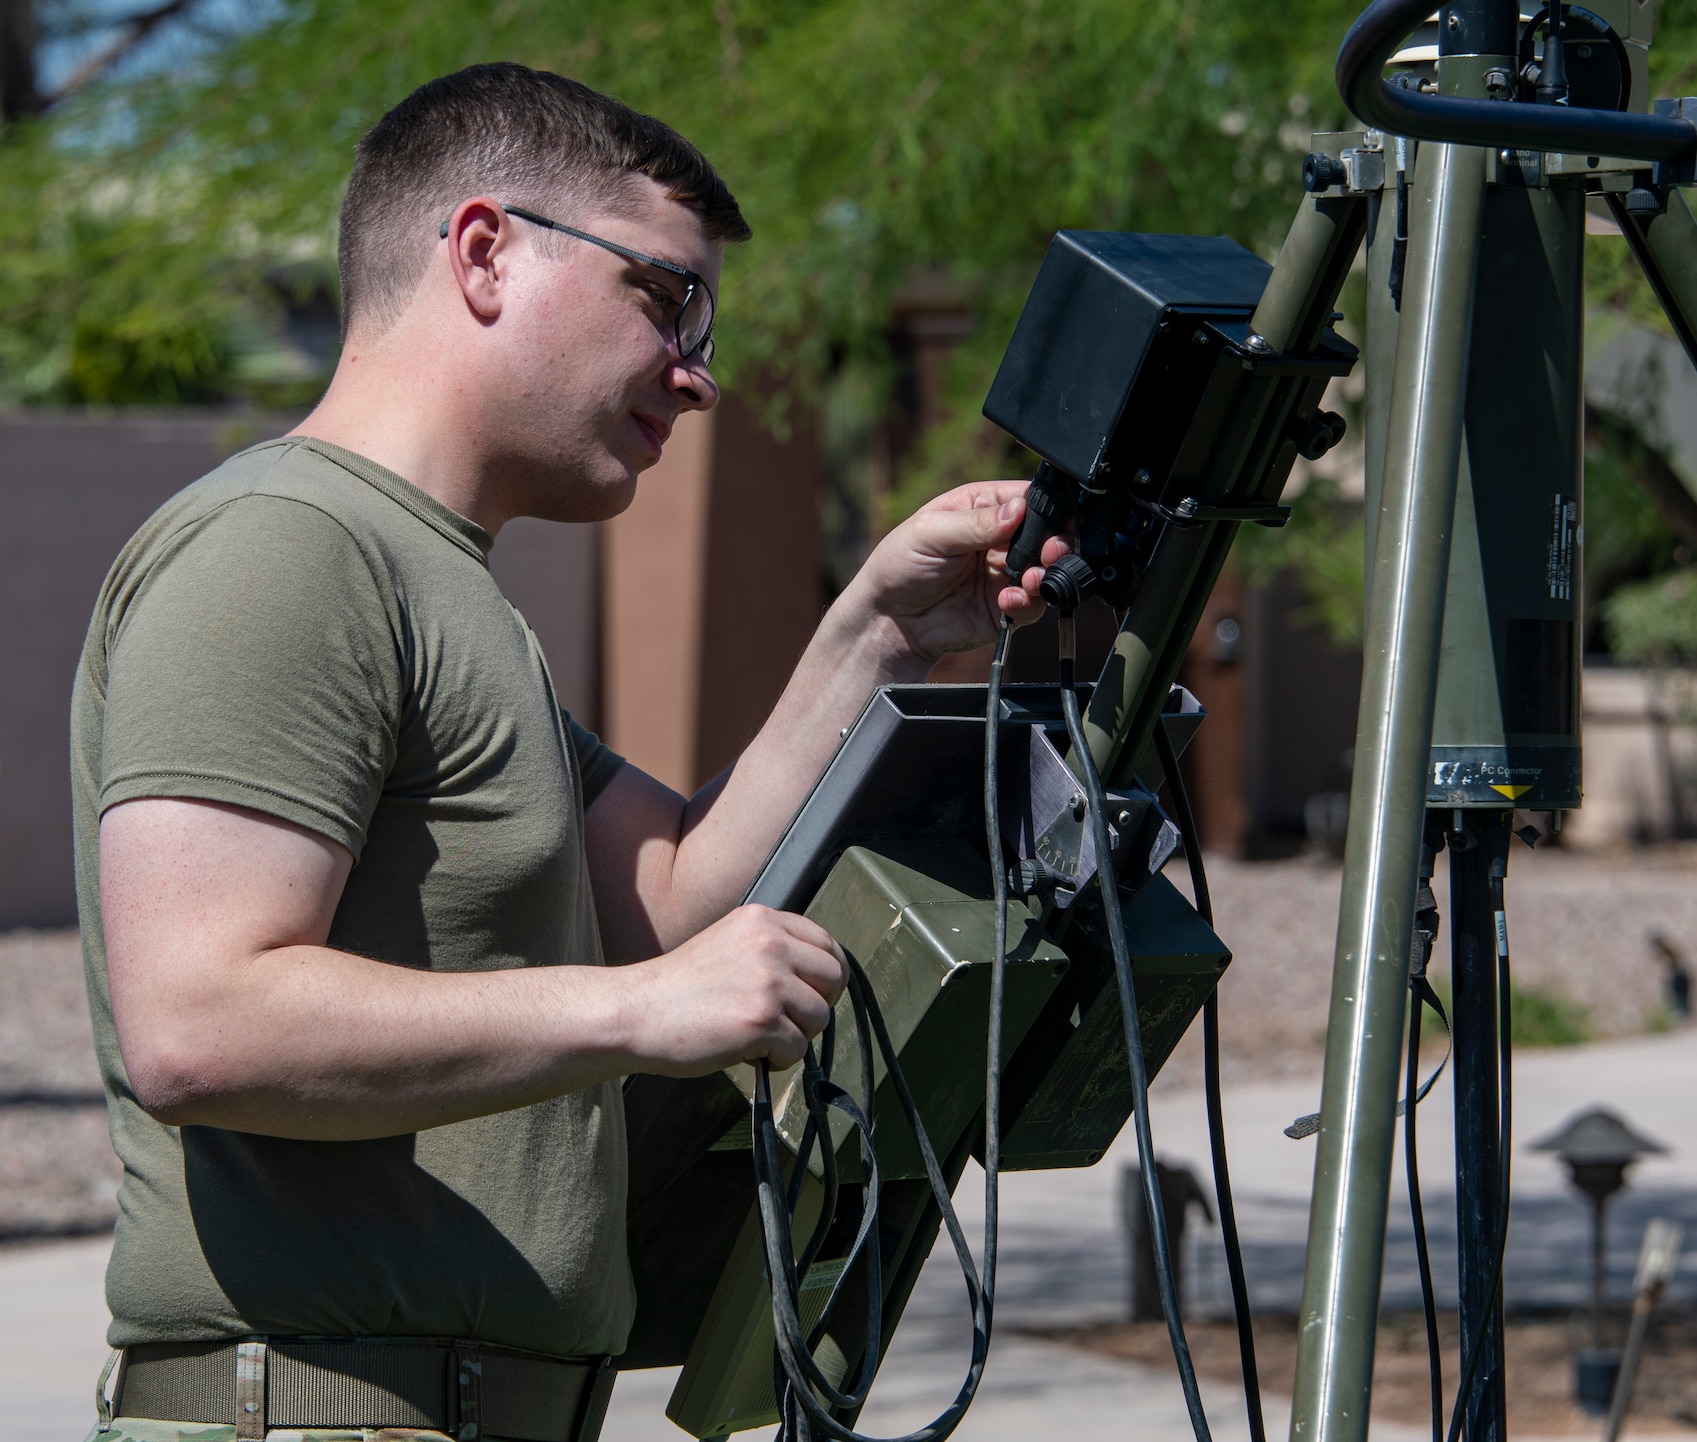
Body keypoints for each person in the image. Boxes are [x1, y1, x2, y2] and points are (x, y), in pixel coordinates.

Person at [74, 62, 1056, 1442]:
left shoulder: (449, 590)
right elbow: (200, 1021)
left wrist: (876, 632)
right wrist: (637, 1010)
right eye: (665, 299)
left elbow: (669, 892)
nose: (697, 372)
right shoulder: (287, 551)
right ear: (484, 253)